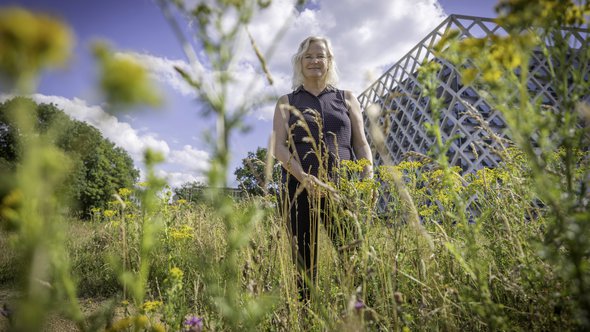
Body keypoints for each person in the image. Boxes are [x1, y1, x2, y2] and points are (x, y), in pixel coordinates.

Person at [271, 36, 373, 301]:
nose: (315, 61)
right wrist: (303, 177)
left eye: (320, 56)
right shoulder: (287, 100)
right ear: (300, 62)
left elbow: (361, 145)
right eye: (308, 56)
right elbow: (278, 147)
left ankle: (357, 315)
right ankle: (305, 316)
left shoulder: (347, 98)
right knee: (304, 261)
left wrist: (366, 181)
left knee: (352, 256)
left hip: (343, 188)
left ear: (329, 61)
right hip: (299, 188)